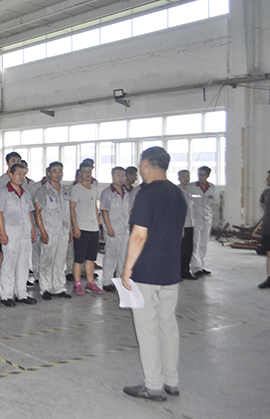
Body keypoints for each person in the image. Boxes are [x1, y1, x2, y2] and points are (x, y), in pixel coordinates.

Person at [121, 146, 187, 401]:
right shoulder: (178, 193)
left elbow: (139, 235)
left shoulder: (145, 195)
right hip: (171, 270)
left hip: (147, 270)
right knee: (168, 325)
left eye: (140, 164)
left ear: (147, 164)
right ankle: (171, 380)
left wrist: (127, 269)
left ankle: (153, 386)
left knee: (147, 328)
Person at [0, 163, 38, 307]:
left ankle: (21, 293)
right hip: (10, 233)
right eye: (18, 174)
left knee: (24, 263)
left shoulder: (25, 193)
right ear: (11, 175)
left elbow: (29, 212)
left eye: (23, 174)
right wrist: (3, 233)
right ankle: (6, 295)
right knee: (9, 264)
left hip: (25, 233)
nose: (21, 177)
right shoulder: (3, 192)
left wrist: (32, 230)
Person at [35, 162, 72, 301]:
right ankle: (45, 288)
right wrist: (43, 231)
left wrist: (69, 230)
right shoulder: (43, 191)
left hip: (63, 231)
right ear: (48, 173)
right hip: (49, 231)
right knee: (47, 261)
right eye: (55, 171)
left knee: (60, 261)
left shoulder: (65, 191)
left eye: (60, 171)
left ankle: (57, 287)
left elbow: (67, 212)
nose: (58, 173)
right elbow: (37, 212)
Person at [70, 164, 105, 295]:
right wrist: (75, 227)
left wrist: (98, 224)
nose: (87, 174)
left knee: (90, 258)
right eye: (84, 172)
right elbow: (72, 209)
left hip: (93, 228)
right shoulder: (76, 189)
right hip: (81, 228)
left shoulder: (93, 189)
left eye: (89, 172)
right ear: (80, 173)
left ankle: (90, 283)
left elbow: (95, 208)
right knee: (79, 258)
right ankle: (77, 284)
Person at [100, 167, 131, 291]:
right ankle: (107, 282)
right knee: (111, 256)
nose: (121, 178)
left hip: (125, 229)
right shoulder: (107, 192)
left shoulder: (126, 192)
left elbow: (129, 211)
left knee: (123, 257)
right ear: (112, 176)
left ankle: (120, 280)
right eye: (118, 175)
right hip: (113, 229)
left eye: (123, 175)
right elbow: (104, 211)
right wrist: (108, 228)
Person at [189, 166, 215, 276]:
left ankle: (201, 265)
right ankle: (195, 268)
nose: (201, 177)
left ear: (208, 175)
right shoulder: (192, 187)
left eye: (203, 174)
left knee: (203, 243)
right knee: (195, 243)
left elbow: (211, 201)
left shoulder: (211, 187)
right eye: (199, 174)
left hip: (207, 218)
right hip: (195, 219)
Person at [177, 170, 199, 280]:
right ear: (179, 178)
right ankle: (178, 272)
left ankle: (186, 271)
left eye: (188, 176)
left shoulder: (189, 191)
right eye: (183, 176)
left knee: (189, 249)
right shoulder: (177, 191)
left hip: (190, 223)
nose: (186, 178)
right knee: (181, 250)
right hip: (181, 225)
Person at [258, 170, 270, 289]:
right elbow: (262, 204)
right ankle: (269, 278)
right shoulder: (266, 192)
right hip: (267, 228)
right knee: (269, 254)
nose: (267, 179)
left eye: (268, 178)